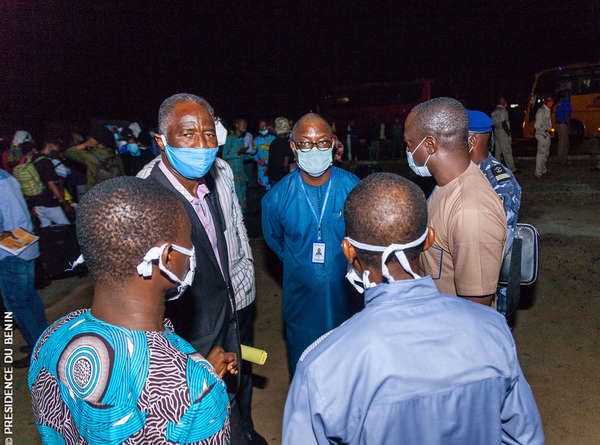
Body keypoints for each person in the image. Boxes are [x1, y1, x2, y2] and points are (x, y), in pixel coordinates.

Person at [282, 173, 544, 444]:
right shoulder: (492, 330)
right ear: (429, 238)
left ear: (349, 250)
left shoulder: (323, 367)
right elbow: (524, 437)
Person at [28, 177, 232, 444]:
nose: (192, 250)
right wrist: (201, 382)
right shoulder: (196, 395)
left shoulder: (52, 337)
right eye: (189, 240)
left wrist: (197, 371)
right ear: (167, 256)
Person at [136, 93, 258, 444]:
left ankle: (243, 429)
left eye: (208, 133)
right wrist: (187, 360)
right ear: (161, 141)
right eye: (188, 134)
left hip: (230, 310)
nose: (202, 144)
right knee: (202, 419)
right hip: (188, 331)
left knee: (238, 389)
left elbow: (233, 232)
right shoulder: (147, 196)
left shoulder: (220, 172)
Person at [261, 112, 360, 375]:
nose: (314, 149)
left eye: (322, 142)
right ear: (293, 148)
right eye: (305, 143)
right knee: (306, 369)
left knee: (346, 372)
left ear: (333, 145)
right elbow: (274, 240)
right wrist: (303, 264)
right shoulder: (276, 197)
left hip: (347, 300)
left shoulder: (354, 188)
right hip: (301, 302)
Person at [405, 97, 507, 307]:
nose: (407, 151)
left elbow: (475, 307)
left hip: (454, 334)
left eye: (409, 144)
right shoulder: (444, 186)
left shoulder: (471, 210)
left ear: (430, 145)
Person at [467, 110, 522, 314]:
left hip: (488, 296)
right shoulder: (455, 176)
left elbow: (493, 249)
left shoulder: (499, 183)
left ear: (471, 140)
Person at [0, 168, 47, 368]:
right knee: (30, 298)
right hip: (24, 239)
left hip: (9, 248)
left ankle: (37, 351)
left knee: (18, 303)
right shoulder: (5, 175)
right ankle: (42, 343)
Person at [13, 142, 71, 227]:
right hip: (49, 202)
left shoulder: (31, 160)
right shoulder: (46, 161)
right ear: (49, 146)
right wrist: (64, 203)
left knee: (46, 229)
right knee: (66, 227)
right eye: (56, 147)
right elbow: (51, 184)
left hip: (36, 202)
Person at [222, 119, 249, 211]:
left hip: (241, 172)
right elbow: (224, 156)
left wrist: (251, 154)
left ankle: (242, 216)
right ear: (237, 125)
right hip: (232, 172)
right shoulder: (230, 139)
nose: (245, 125)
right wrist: (238, 153)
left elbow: (241, 157)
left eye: (246, 124)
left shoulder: (241, 140)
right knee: (234, 195)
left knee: (242, 193)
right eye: (243, 123)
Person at [491, 97, 517, 172]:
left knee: (498, 151)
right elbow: (504, 122)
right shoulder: (503, 110)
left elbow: (492, 123)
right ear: (503, 102)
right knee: (507, 150)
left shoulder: (494, 111)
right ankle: (512, 168)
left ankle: (497, 168)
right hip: (503, 132)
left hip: (496, 131)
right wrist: (508, 133)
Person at [267, 116, 293, 185]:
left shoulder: (273, 143)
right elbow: (285, 163)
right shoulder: (286, 144)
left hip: (272, 176)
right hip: (281, 178)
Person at [252, 120, 275, 191]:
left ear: (268, 127)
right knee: (263, 190)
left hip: (272, 168)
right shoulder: (256, 140)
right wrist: (260, 162)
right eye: (261, 126)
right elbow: (253, 154)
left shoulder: (273, 139)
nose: (263, 128)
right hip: (261, 168)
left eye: (264, 126)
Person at [534, 95, 554, 178]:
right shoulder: (541, 111)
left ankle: (543, 170)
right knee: (541, 153)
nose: (552, 103)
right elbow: (537, 126)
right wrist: (544, 132)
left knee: (546, 154)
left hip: (547, 134)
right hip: (542, 135)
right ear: (546, 102)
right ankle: (538, 172)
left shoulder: (547, 110)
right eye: (550, 101)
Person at [556, 90, 572, 165]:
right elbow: (566, 115)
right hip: (563, 124)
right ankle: (563, 160)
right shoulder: (566, 102)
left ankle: (560, 159)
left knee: (561, 142)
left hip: (558, 124)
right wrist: (569, 126)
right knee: (565, 143)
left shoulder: (560, 102)